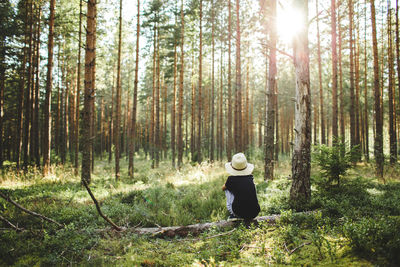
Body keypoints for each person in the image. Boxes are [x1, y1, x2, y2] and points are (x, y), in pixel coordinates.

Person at [222, 153, 260, 220]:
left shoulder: (231, 179)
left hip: (238, 212)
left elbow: (223, 188)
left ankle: (233, 214)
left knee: (227, 189)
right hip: (254, 212)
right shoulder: (250, 178)